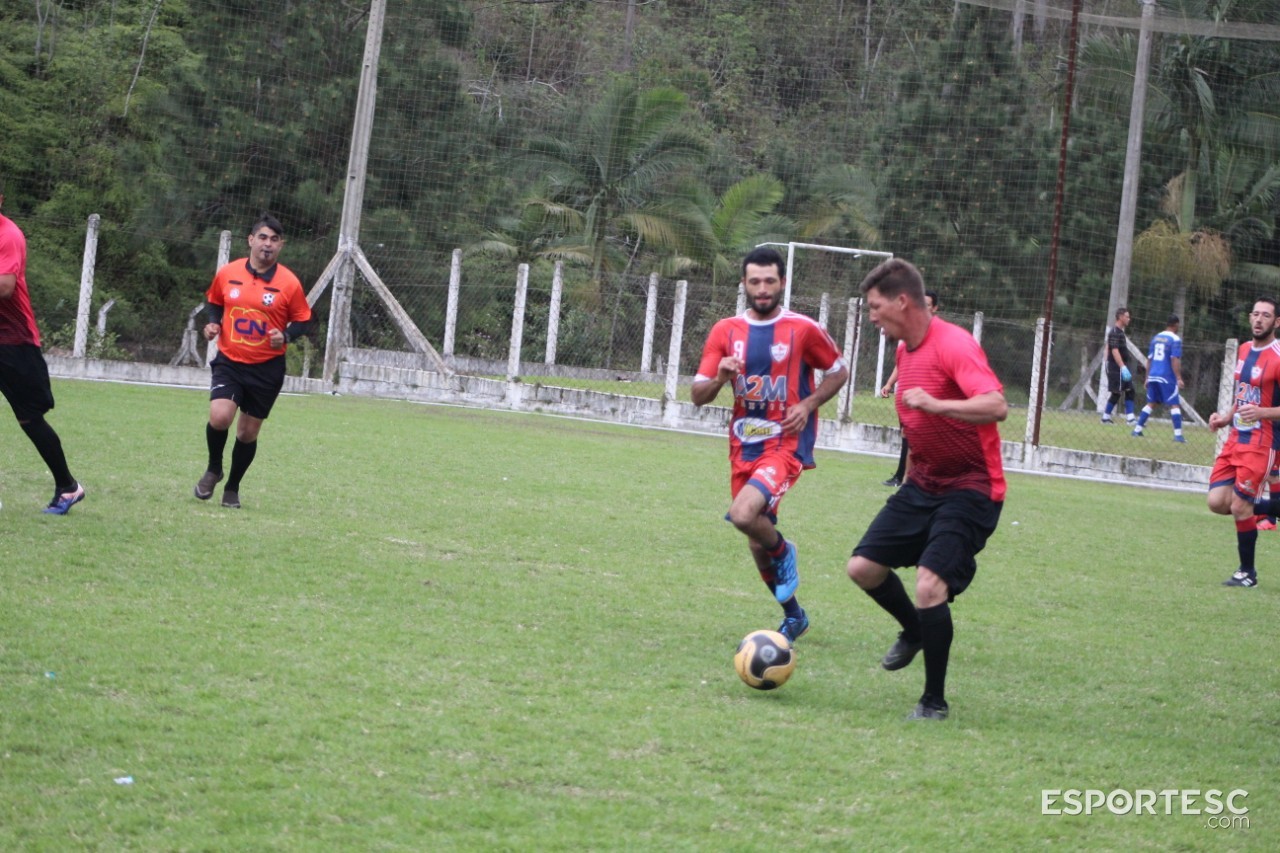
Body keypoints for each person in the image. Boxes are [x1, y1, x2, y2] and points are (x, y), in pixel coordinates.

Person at [845, 258, 1007, 721]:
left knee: (929, 585)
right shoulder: (904, 351)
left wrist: (938, 404)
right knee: (862, 568)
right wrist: (910, 479)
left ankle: (933, 701)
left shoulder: (954, 344)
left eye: (874, 307)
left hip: (972, 485)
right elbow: (916, 429)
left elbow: (996, 405)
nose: (871, 316)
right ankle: (915, 630)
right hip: (924, 483)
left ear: (902, 302)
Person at [692, 246, 849, 642]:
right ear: (744, 284)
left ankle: (785, 552)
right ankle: (794, 616)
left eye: (769, 281)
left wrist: (808, 404)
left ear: (782, 283)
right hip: (743, 446)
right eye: (755, 281)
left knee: (743, 514)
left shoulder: (803, 329)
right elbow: (697, 395)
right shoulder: (725, 331)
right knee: (756, 541)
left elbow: (838, 370)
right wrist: (720, 378)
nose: (762, 289)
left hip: (786, 443)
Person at [194, 214, 313, 509]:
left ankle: (232, 488)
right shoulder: (228, 272)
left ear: (281, 245)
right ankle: (213, 469)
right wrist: (213, 323)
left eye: (274, 239)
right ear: (250, 240)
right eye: (262, 237)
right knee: (220, 417)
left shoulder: (289, 283)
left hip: (266, 368)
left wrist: (285, 336)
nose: (267, 244)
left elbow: (303, 320)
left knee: (247, 433)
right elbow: (215, 301)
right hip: (230, 361)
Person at [0, 184, 85, 514]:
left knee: (29, 419)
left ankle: (68, 487)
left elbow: (5, 287)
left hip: (14, 342)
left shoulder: (8, 235)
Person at [1208, 298, 1280, 588]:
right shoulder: (1244, 350)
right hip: (1235, 439)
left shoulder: (1278, 356)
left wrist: (1263, 413)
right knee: (1217, 502)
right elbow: (1242, 396)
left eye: (1266, 316)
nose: (1259, 320)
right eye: (1255, 314)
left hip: (1262, 442)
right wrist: (1225, 418)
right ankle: (1272, 507)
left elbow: (1260, 407)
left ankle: (1247, 573)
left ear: (1277, 322)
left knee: (1240, 505)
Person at [879, 290, 939, 486]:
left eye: (927, 305)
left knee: (921, 438)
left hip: (926, 396)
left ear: (934, 308)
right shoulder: (909, 334)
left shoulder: (938, 336)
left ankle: (913, 478)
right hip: (907, 397)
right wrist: (889, 383)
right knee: (907, 436)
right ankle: (903, 477)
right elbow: (901, 363)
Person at [1131, 314, 1186, 442]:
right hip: (1166, 376)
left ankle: (1137, 430)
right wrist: (1178, 377)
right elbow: (1174, 359)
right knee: (1174, 404)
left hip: (1153, 375)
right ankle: (1178, 435)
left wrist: (1147, 378)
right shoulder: (1175, 339)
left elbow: (1149, 360)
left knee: (1152, 403)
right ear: (1176, 324)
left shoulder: (1156, 338)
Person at [1101, 306, 1136, 425]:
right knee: (1118, 392)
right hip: (1116, 367)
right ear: (1120, 317)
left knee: (1129, 390)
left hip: (1120, 367)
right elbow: (1114, 350)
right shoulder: (1115, 332)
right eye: (1127, 317)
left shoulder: (1120, 332)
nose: (1129, 319)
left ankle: (1129, 419)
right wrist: (1122, 367)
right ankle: (1106, 418)